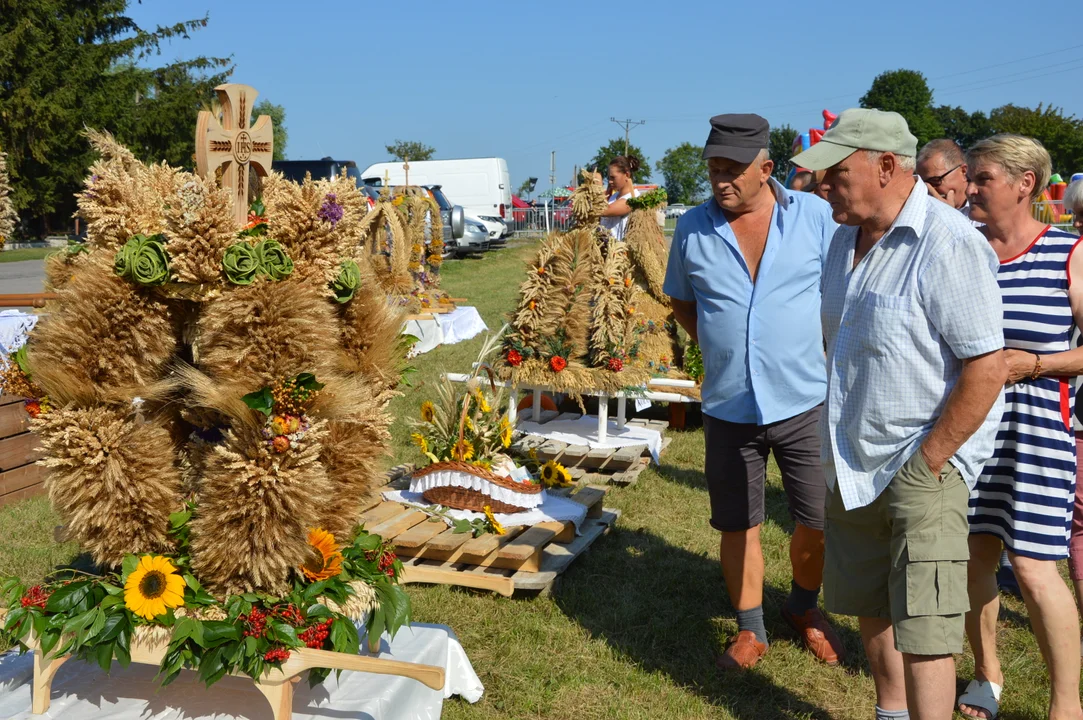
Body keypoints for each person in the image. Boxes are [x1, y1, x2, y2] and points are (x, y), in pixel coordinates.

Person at [794, 108, 1007, 720]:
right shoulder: (842, 241)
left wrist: (932, 460)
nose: (822, 185)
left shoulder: (947, 242)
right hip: (855, 460)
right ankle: (891, 712)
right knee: (871, 599)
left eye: (834, 173)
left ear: (886, 166)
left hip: (923, 468)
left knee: (927, 623)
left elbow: (986, 366)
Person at [663, 113, 843, 671]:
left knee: (814, 518)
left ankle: (804, 608)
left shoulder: (814, 217)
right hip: (729, 404)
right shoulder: (693, 227)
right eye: (715, 168)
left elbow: (842, 291)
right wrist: (725, 350)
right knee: (738, 522)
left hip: (804, 399)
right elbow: (682, 302)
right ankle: (751, 629)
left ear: (767, 169)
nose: (722, 180)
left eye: (734, 170)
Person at [960, 137, 1083, 720]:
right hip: (965, 427)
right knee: (972, 558)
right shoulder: (964, 250)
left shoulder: (1068, 252)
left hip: (1037, 432)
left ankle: (1066, 704)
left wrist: (1029, 364)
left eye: (982, 178)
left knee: (1034, 568)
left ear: (1025, 183)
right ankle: (987, 677)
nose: (971, 188)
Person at [917, 139, 970, 213]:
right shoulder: (921, 213)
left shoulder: (985, 212)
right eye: (922, 184)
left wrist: (946, 213)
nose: (929, 190)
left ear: (963, 171)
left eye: (935, 181)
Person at [599, 156, 640, 240]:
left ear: (627, 175)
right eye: (609, 178)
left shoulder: (633, 197)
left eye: (613, 177)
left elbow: (604, 210)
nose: (610, 181)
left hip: (621, 250)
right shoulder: (613, 196)